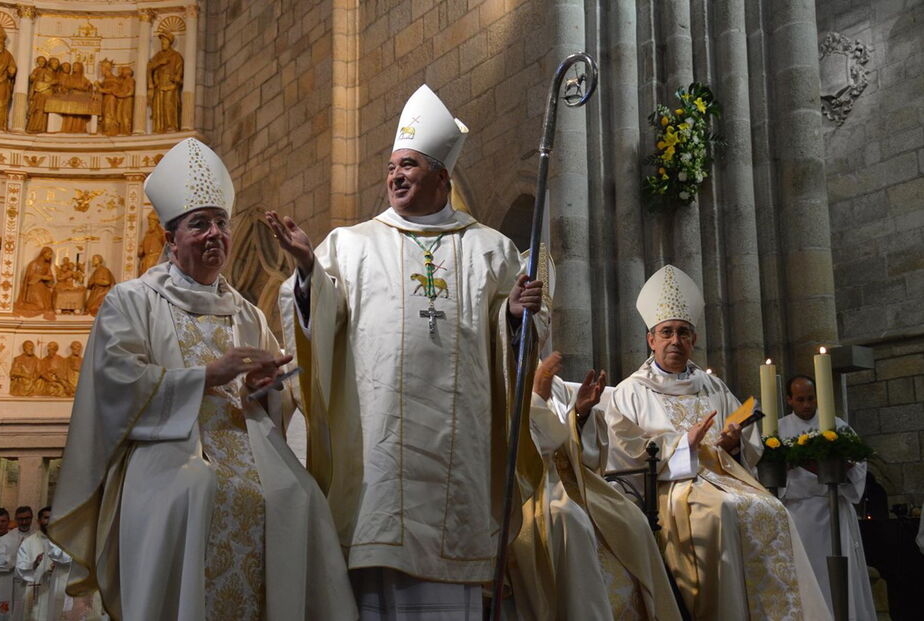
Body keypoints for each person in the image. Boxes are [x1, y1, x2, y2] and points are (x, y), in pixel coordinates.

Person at [49, 137, 356, 621]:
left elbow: (279, 388)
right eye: (199, 224)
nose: (215, 234)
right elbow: (116, 382)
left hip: (248, 441)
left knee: (299, 498)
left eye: (221, 223)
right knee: (196, 488)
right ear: (171, 240)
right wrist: (207, 376)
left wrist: (265, 388)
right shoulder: (132, 301)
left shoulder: (247, 312)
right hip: (165, 448)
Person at [267, 83, 544, 618]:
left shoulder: (491, 249)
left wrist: (512, 316)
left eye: (409, 165)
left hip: (458, 456)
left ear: (442, 177)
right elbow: (318, 320)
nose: (394, 175)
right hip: (379, 454)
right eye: (392, 166)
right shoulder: (350, 245)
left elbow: (519, 332)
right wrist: (306, 272)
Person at [605, 264, 831, 620]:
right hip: (672, 489)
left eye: (683, 333)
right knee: (723, 512)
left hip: (728, 479)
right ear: (651, 339)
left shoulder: (712, 386)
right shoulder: (630, 392)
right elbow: (624, 455)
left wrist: (733, 443)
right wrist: (683, 445)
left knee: (773, 510)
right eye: (666, 333)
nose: (675, 341)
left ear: (693, 339)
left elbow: (745, 442)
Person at [513, 351, 681, 620]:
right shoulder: (498, 372)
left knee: (632, 519)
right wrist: (536, 399)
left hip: (574, 481)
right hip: (524, 487)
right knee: (569, 520)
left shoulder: (553, 381)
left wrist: (580, 413)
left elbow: (578, 452)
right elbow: (514, 449)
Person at [778, 375, 876, 621]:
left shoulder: (837, 425)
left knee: (841, 575)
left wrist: (843, 469)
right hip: (798, 514)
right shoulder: (778, 429)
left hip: (833, 509)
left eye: (811, 398)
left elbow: (858, 462)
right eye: (800, 399)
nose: (807, 404)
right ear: (790, 400)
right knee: (807, 573)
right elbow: (767, 469)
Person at [16, 506, 72, 621]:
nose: (49, 521)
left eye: (52, 517)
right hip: (38, 592)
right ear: (39, 521)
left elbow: (73, 562)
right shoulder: (29, 542)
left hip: (59, 591)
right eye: (46, 517)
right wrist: (34, 564)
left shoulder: (67, 540)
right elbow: (20, 568)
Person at [0, 505, 33, 621]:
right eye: (20, 519)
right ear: (16, 519)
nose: (24, 522)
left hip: (29, 583)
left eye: (27, 518)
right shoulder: (6, 539)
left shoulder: (37, 537)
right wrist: (17, 556)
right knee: (5, 612)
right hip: (6, 582)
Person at [147, 31, 183, 132]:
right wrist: (159, 63)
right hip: (159, 84)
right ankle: (159, 128)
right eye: (161, 41)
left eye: (164, 41)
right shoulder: (158, 56)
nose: (162, 43)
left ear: (169, 42)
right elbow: (150, 67)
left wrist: (177, 78)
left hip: (171, 85)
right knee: (158, 109)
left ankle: (171, 126)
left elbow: (179, 72)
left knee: (168, 105)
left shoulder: (176, 56)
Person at [15, 246, 56, 316]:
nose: (50, 256)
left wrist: (47, 278)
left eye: (51, 254)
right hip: (33, 287)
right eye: (49, 254)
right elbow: (29, 277)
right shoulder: (34, 264)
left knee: (47, 306)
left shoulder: (47, 265)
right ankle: (23, 305)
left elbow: (50, 276)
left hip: (43, 287)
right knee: (41, 306)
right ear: (43, 253)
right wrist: (42, 277)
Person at [0, 25, 16, 131]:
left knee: (0, 105)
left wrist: (12, 69)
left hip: (1, 83)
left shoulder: (7, 55)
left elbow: (12, 68)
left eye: (0, 40)